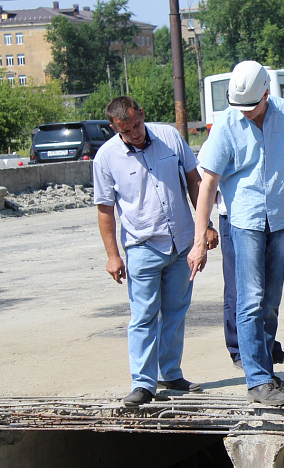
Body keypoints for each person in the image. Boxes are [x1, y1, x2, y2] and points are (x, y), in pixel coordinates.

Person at [188, 61, 284, 406]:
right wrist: (200, 238)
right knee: (250, 300)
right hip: (243, 221)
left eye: (252, 106)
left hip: (281, 219)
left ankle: (267, 372)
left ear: (266, 95)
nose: (245, 113)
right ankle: (257, 380)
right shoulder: (226, 125)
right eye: (239, 107)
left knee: (271, 302)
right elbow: (208, 183)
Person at [93, 96, 216, 408]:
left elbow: (194, 181)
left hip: (182, 243)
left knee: (176, 310)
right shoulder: (106, 158)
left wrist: (206, 227)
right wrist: (112, 255)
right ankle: (143, 384)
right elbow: (105, 210)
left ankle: (171, 373)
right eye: (126, 130)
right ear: (114, 128)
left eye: (137, 125)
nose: (135, 133)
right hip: (142, 247)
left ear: (142, 114)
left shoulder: (170, 137)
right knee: (144, 316)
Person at [197, 142, 284, 381]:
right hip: (236, 220)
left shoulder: (276, 126)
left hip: (272, 219)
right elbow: (204, 182)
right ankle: (242, 353)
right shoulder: (225, 132)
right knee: (243, 294)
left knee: (268, 296)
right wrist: (205, 229)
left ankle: (265, 354)